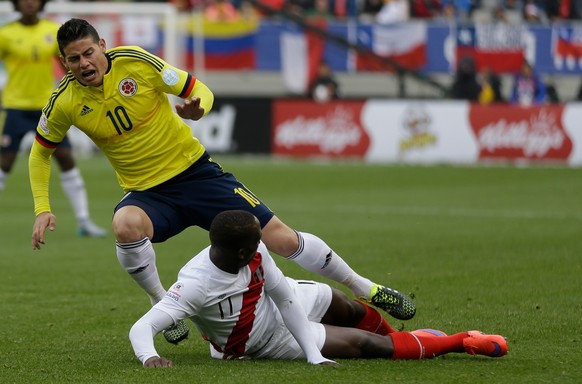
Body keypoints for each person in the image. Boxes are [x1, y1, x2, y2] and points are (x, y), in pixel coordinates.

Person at [29, 18, 416, 344]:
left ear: (103, 45)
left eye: (88, 53)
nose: (83, 63)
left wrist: (198, 109)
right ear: (64, 63)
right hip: (148, 193)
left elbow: (197, 88)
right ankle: (161, 303)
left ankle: (365, 287)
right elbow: (40, 151)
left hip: (197, 174)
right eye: (73, 59)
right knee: (124, 225)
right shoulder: (64, 101)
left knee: (281, 238)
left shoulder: (136, 63)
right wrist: (43, 208)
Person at [129, 210, 508, 368]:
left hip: (277, 305)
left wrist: (314, 355)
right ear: (242, 251)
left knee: (349, 308)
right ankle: (462, 341)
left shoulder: (253, 249)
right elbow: (141, 328)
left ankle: (409, 339)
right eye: (257, 241)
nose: (265, 240)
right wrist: (149, 358)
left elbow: (283, 295)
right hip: (258, 341)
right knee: (366, 346)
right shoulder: (195, 285)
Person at [0, 0, 106, 237]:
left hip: (47, 108)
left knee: (66, 158)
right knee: (4, 163)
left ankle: (84, 220)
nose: (29, 2)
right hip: (16, 107)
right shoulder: (5, 34)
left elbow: (70, 64)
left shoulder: (51, 31)